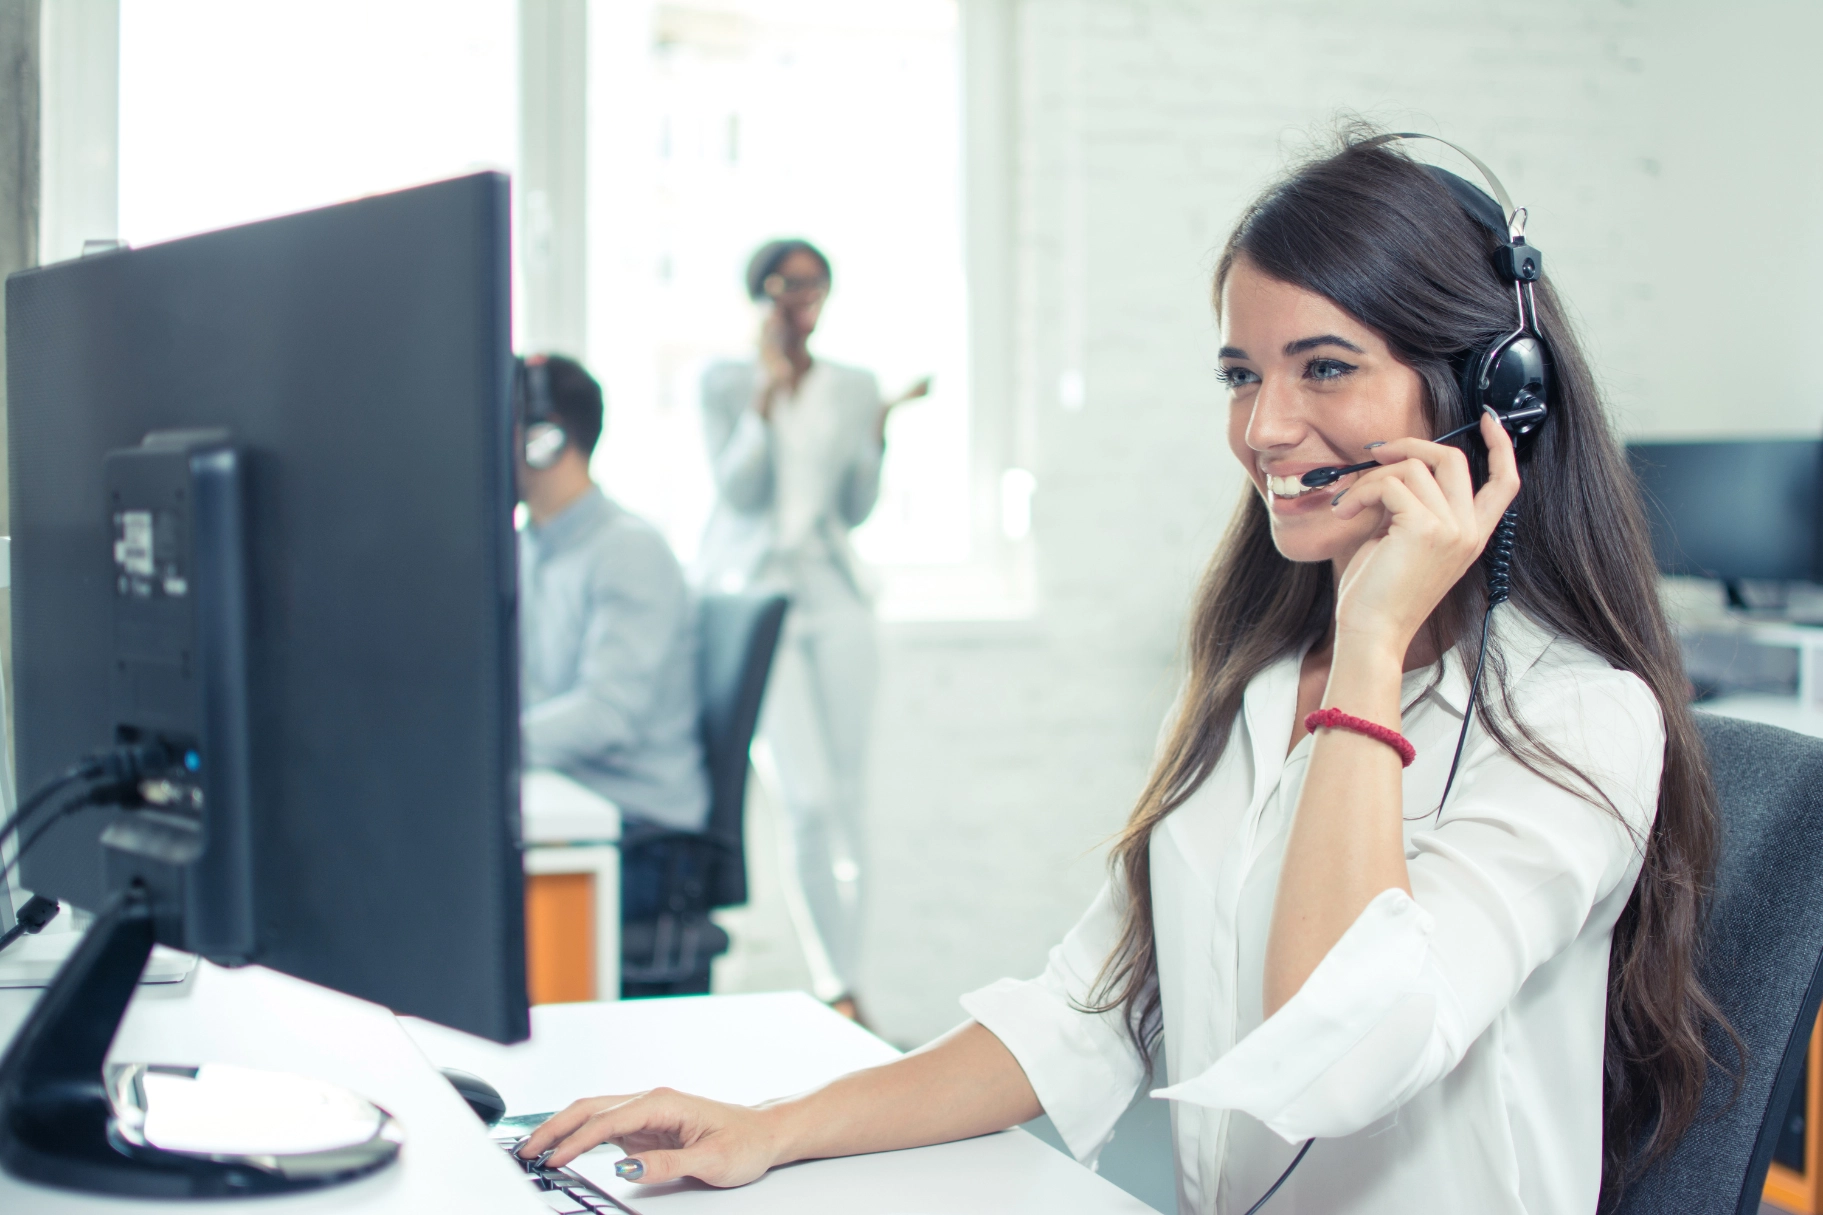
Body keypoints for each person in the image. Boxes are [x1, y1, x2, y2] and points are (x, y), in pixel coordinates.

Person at [515, 134, 1725, 1212]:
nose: (1262, 429)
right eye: (1240, 375)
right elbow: (1087, 1009)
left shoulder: (1576, 720)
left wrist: (1369, 644)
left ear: (1490, 397)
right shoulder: (1256, 685)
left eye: (1323, 367)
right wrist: (771, 1129)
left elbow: (1340, 1055)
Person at [692, 239, 928, 1019]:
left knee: (851, 797)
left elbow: (854, 508)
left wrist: (878, 429)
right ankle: (834, 978)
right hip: (759, 597)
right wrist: (765, 396)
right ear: (758, 293)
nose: (801, 298)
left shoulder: (853, 385)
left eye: (814, 284)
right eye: (785, 284)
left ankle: (845, 987)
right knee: (807, 799)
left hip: (833, 594)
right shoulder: (723, 381)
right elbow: (738, 490)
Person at [516, 353, 709, 838]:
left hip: (640, 828)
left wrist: (486, 748)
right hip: (565, 801)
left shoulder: (627, 552)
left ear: (545, 439)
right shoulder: (525, 549)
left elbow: (607, 715)